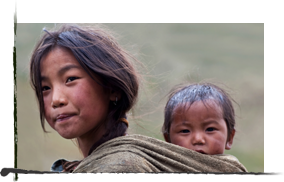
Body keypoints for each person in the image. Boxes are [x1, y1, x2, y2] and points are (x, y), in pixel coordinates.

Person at [30, 24, 247, 173]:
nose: (56, 99)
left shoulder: (121, 167)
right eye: (45, 87)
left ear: (112, 88)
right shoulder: (97, 164)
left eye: (70, 79)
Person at [162, 82, 247, 170]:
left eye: (210, 129)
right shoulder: (159, 169)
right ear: (168, 140)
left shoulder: (233, 171)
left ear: (229, 138)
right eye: (185, 131)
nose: (198, 139)